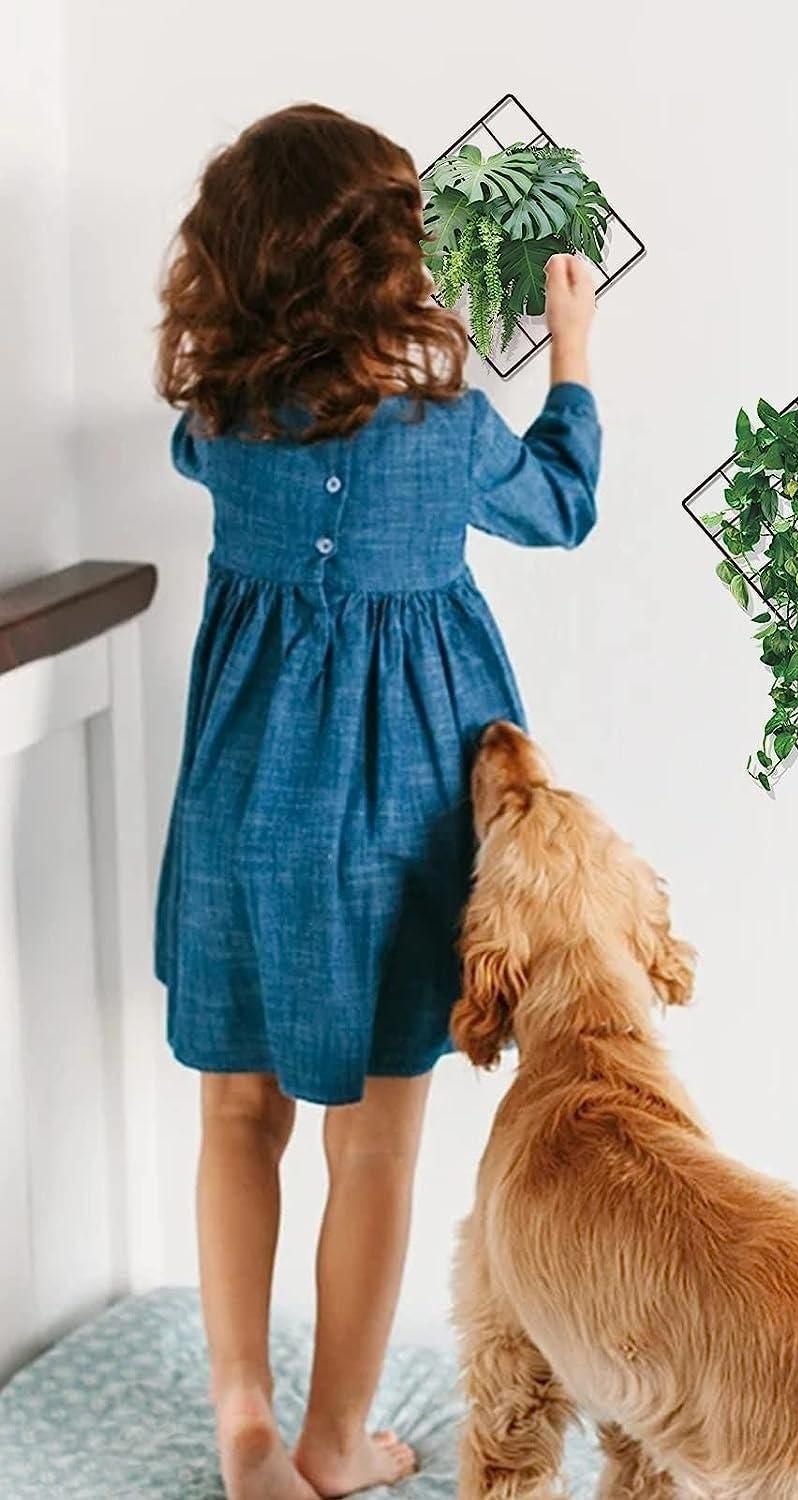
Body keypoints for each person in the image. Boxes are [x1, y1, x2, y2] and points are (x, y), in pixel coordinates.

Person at [154, 102, 600, 1499]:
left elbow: (196, 460)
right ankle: (333, 1442)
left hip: (244, 810)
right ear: (382, 257)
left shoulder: (217, 416)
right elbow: (561, 507)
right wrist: (572, 356)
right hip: (404, 818)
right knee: (378, 1146)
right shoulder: (445, 422)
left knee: (237, 1113)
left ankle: (244, 1421)